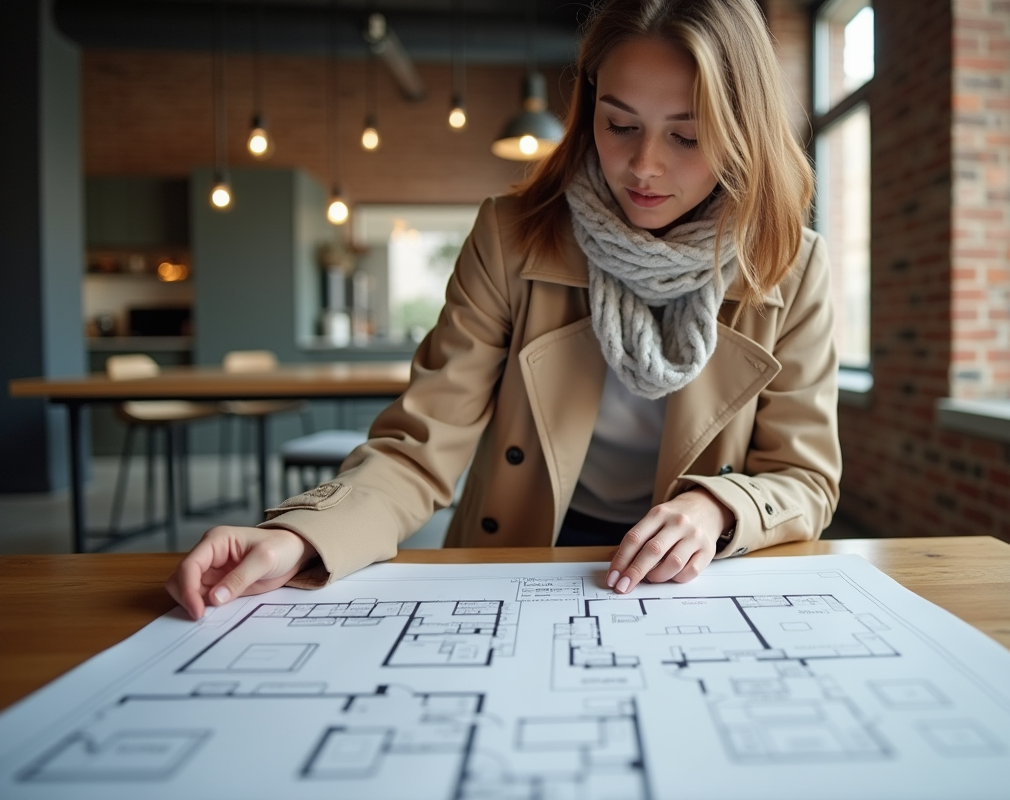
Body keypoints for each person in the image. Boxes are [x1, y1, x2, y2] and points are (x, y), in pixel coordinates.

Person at [167, 0, 840, 621]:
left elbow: (804, 478)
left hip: (694, 571)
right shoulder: (510, 237)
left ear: (744, 132)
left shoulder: (792, 263)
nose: (643, 166)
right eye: (620, 125)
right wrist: (302, 534)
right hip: (520, 555)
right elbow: (421, 446)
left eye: (686, 137)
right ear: (589, 109)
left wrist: (717, 507)